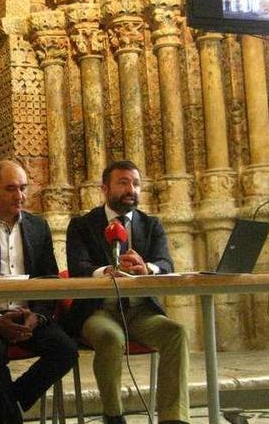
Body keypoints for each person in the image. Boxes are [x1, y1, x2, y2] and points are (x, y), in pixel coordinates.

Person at [0, 160, 78, 423]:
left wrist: (37, 317)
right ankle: (10, 415)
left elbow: (49, 279)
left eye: (23, 188)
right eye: (10, 189)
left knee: (66, 349)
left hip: (28, 316)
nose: (19, 196)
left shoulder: (38, 227)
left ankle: (8, 406)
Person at [64, 160, 190, 424]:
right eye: (123, 183)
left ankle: (173, 418)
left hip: (140, 312)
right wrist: (108, 270)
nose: (130, 189)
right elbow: (78, 267)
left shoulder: (151, 224)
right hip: (98, 310)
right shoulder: (82, 225)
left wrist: (148, 268)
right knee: (111, 337)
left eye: (135, 184)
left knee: (176, 333)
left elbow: (166, 263)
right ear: (104, 188)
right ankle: (114, 415)